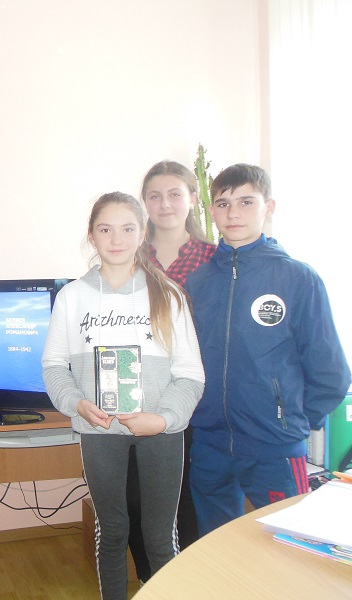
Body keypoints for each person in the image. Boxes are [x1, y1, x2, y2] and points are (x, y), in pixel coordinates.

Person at [42, 192, 204, 600]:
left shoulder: (169, 295)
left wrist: (163, 419)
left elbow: (190, 375)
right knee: (112, 531)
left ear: (142, 233)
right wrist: (77, 404)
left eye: (127, 228)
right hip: (99, 432)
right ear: (91, 236)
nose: (116, 239)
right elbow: (54, 367)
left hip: (161, 432)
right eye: (106, 229)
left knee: (160, 537)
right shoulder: (72, 297)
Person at [185, 164, 351, 536]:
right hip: (210, 444)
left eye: (246, 202)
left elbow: (330, 371)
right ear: (211, 211)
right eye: (223, 203)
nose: (233, 213)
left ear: (268, 207)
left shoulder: (298, 278)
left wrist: (291, 423)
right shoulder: (197, 283)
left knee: (288, 543)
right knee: (215, 546)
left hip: (274, 447)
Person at [125, 161, 217, 579]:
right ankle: (152, 580)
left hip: (198, 402)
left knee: (188, 500)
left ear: (193, 199)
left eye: (175, 194)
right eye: (155, 196)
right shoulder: (127, 259)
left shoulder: (215, 260)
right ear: (144, 202)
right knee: (137, 500)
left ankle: (189, 582)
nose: (165, 204)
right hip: (139, 399)